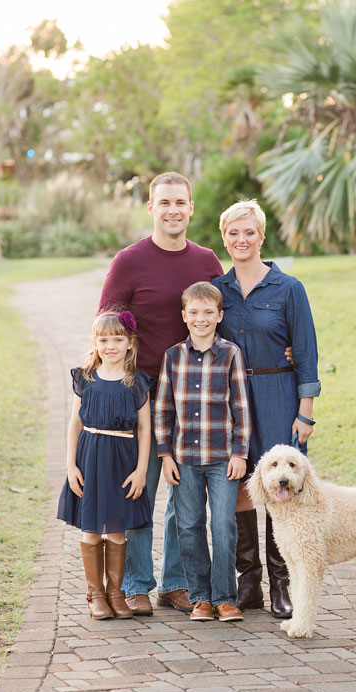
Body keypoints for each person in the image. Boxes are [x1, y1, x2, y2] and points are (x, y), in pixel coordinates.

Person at [98, 172, 223, 615]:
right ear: (151, 208)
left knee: (185, 494)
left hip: (194, 396)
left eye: (180, 202)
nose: (173, 209)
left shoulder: (207, 260)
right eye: (164, 202)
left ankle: (175, 582)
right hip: (142, 392)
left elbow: (224, 318)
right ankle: (136, 583)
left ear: (191, 208)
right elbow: (106, 328)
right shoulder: (129, 261)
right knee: (141, 489)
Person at [211, 200, 320, 619]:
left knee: (282, 489)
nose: (242, 240)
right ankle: (249, 582)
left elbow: (306, 351)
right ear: (225, 238)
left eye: (249, 232)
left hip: (278, 392)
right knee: (240, 484)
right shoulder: (216, 290)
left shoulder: (289, 288)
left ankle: (281, 584)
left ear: (261, 236)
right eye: (233, 233)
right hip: (232, 399)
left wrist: (304, 412)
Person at [155, 282, 251, 622]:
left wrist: (240, 453)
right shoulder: (173, 357)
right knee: (188, 526)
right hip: (184, 459)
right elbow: (163, 409)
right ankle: (200, 599)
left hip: (223, 457)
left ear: (219, 315)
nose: (201, 319)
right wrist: (165, 455)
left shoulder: (231, 354)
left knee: (223, 524)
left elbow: (241, 407)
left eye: (208, 312)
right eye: (194, 313)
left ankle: (225, 597)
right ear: (184, 316)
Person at [56, 310, 153, 620]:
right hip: (90, 456)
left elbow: (145, 430)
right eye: (104, 339)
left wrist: (140, 470)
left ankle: (116, 593)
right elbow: (74, 423)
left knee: (117, 530)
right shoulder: (84, 378)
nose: (110, 345)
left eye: (118, 339)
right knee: (92, 530)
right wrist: (71, 465)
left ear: (130, 344)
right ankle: (95, 594)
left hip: (123, 460)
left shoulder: (136, 382)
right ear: (95, 343)